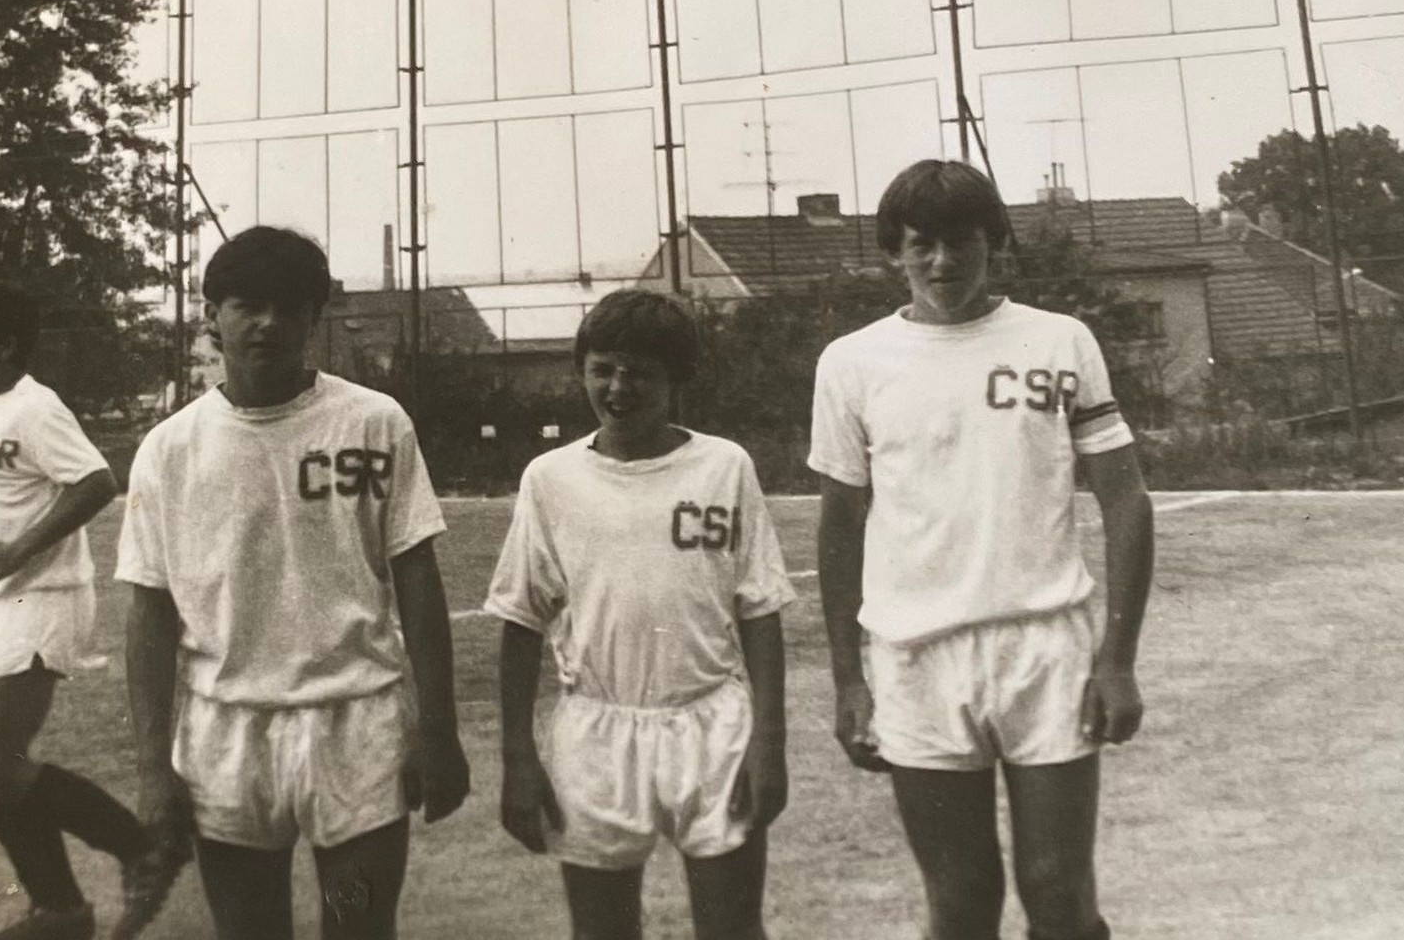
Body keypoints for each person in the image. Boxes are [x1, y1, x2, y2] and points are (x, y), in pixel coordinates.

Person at [810, 160, 1155, 940]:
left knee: (1057, 890)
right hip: (915, 657)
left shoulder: (1059, 339)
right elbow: (838, 524)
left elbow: (1125, 499)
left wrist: (1117, 659)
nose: (941, 262)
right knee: (960, 896)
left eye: (960, 241)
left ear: (992, 241)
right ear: (893, 251)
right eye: (920, 244)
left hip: (1043, 646)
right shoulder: (851, 363)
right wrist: (847, 679)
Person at [117, 226, 470, 940]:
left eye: (288, 307)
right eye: (247, 305)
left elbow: (417, 578)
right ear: (212, 315)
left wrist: (438, 731)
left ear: (315, 317)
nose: (268, 323)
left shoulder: (372, 422)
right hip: (228, 730)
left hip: (356, 723)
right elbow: (149, 610)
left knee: (360, 926)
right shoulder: (170, 448)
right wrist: (153, 768)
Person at [488, 289, 795, 940]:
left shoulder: (723, 466)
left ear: (676, 379)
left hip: (709, 721)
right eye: (602, 370)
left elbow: (760, 610)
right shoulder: (550, 479)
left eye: (639, 373)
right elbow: (520, 621)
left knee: (733, 927)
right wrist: (517, 757)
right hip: (597, 729)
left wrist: (769, 743)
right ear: (581, 371)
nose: (618, 388)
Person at [0, 281, 179, 940]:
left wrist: (17, 551)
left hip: (43, 598)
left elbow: (96, 482)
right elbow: (20, 493)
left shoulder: (35, 407)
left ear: (5, 346)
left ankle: (141, 846)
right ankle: (59, 911)